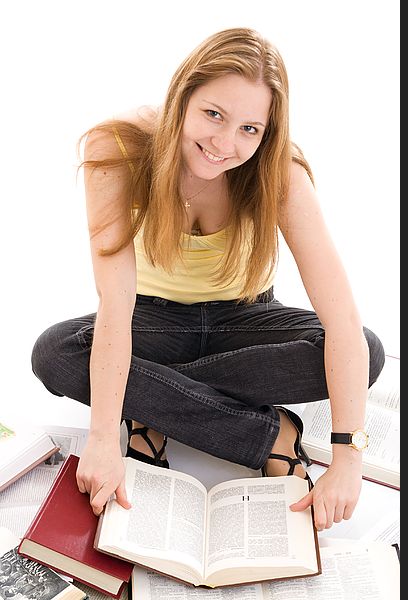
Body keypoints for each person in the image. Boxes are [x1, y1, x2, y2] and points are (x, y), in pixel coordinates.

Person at [31, 27, 385, 531]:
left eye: (250, 129)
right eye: (214, 114)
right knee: (54, 352)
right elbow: (115, 304)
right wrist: (104, 438)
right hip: (150, 321)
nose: (225, 143)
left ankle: (155, 405)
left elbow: (343, 318)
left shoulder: (279, 172)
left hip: (246, 319)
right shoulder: (115, 150)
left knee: (365, 351)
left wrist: (348, 458)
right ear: (182, 96)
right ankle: (269, 435)